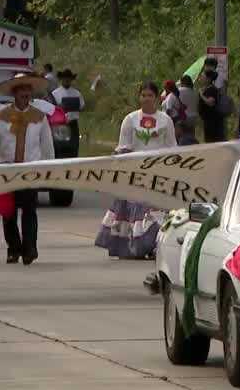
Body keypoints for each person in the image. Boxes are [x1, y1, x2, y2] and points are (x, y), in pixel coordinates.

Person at [95, 82, 177, 259]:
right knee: (136, 209)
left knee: (155, 211)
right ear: (139, 97)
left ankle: (154, 247)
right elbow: (123, 147)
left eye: (150, 95)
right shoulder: (130, 119)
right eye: (143, 95)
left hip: (158, 173)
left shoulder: (166, 120)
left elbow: (172, 147)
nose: (146, 99)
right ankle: (133, 248)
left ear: (156, 98)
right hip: (134, 174)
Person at [0, 73, 55, 265]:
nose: (26, 93)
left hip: (30, 170)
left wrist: (50, 170)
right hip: (7, 170)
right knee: (8, 212)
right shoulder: (1, 116)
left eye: (28, 90)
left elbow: (47, 146)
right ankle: (13, 248)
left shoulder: (39, 117)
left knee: (29, 210)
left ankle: (30, 248)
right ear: (14, 93)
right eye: (21, 90)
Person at [52, 69, 85, 152]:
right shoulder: (55, 93)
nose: (67, 80)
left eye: (68, 78)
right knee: (60, 147)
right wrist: (59, 107)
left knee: (74, 146)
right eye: (65, 78)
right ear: (61, 79)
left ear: (71, 80)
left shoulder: (77, 93)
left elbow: (82, 106)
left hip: (72, 122)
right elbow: (52, 109)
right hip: (60, 124)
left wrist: (75, 106)